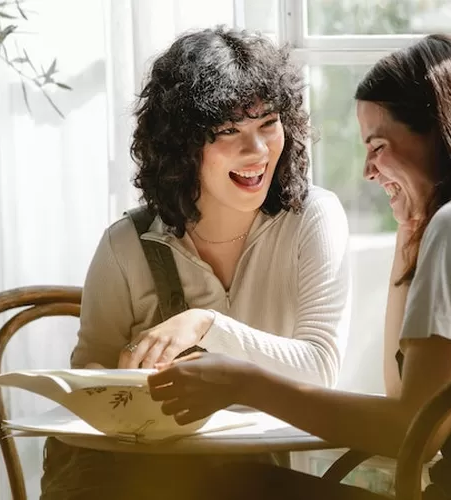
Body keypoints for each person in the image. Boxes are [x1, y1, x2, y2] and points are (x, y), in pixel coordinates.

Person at [147, 33, 451, 499]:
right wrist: (409, 234)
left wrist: (245, 382)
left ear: (442, 134)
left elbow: (412, 434)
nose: (367, 169)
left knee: (222, 487)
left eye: (378, 145)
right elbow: (402, 390)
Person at [39, 26, 351, 500]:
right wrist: (122, 383)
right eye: (228, 131)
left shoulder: (312, 218)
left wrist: (206, 325)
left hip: (251, 478)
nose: (258, 151)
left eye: (268, 122)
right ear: (182, 146)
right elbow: (87, 397)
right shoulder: (127, 244)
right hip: (142, 480)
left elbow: (320, 369)